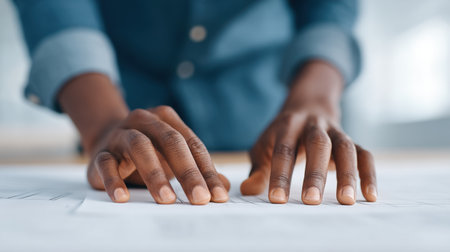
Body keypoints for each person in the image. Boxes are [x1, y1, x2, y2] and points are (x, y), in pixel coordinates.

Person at [13, 0, 377, 205]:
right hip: (119, 128)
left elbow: (330, 10)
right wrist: (103, 125)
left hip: (265, 121)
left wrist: (315, 97)